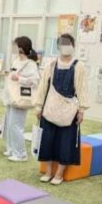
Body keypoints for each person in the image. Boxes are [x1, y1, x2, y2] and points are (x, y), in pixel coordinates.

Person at [34, 34, 89, 185]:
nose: (65, 47)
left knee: (66, 141)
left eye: (68, 43)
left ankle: (59, 174)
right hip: (50, 108)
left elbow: (82, 89)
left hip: (69, 111)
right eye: (62, 44)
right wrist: (38, 106)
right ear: (58, 47)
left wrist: (81, 110)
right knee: (47, 140)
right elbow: (43, 86)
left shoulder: (78, 66)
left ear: (73, 45)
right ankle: (48, 172)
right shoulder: (51, 64)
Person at [2, 37, 40, 162]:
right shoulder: (16, 61)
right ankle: (11, 149)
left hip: (21, 98)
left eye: (15, 45)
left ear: (21, 48)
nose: (13, 48)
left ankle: (21, 154)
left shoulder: (30, 64)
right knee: (9, 124)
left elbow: (35, 81)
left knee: (16, 126)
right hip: (12, 98)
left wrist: (19, 79)